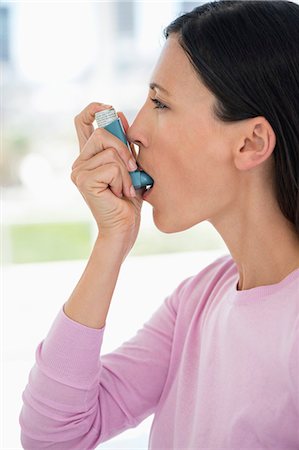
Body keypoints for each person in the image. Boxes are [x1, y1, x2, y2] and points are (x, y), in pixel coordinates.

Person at [19, 1, 299, 448]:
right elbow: (53, 434)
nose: (135, 131)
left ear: (250, 142)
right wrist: (112, 240)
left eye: (160, 103)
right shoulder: (197, 300)